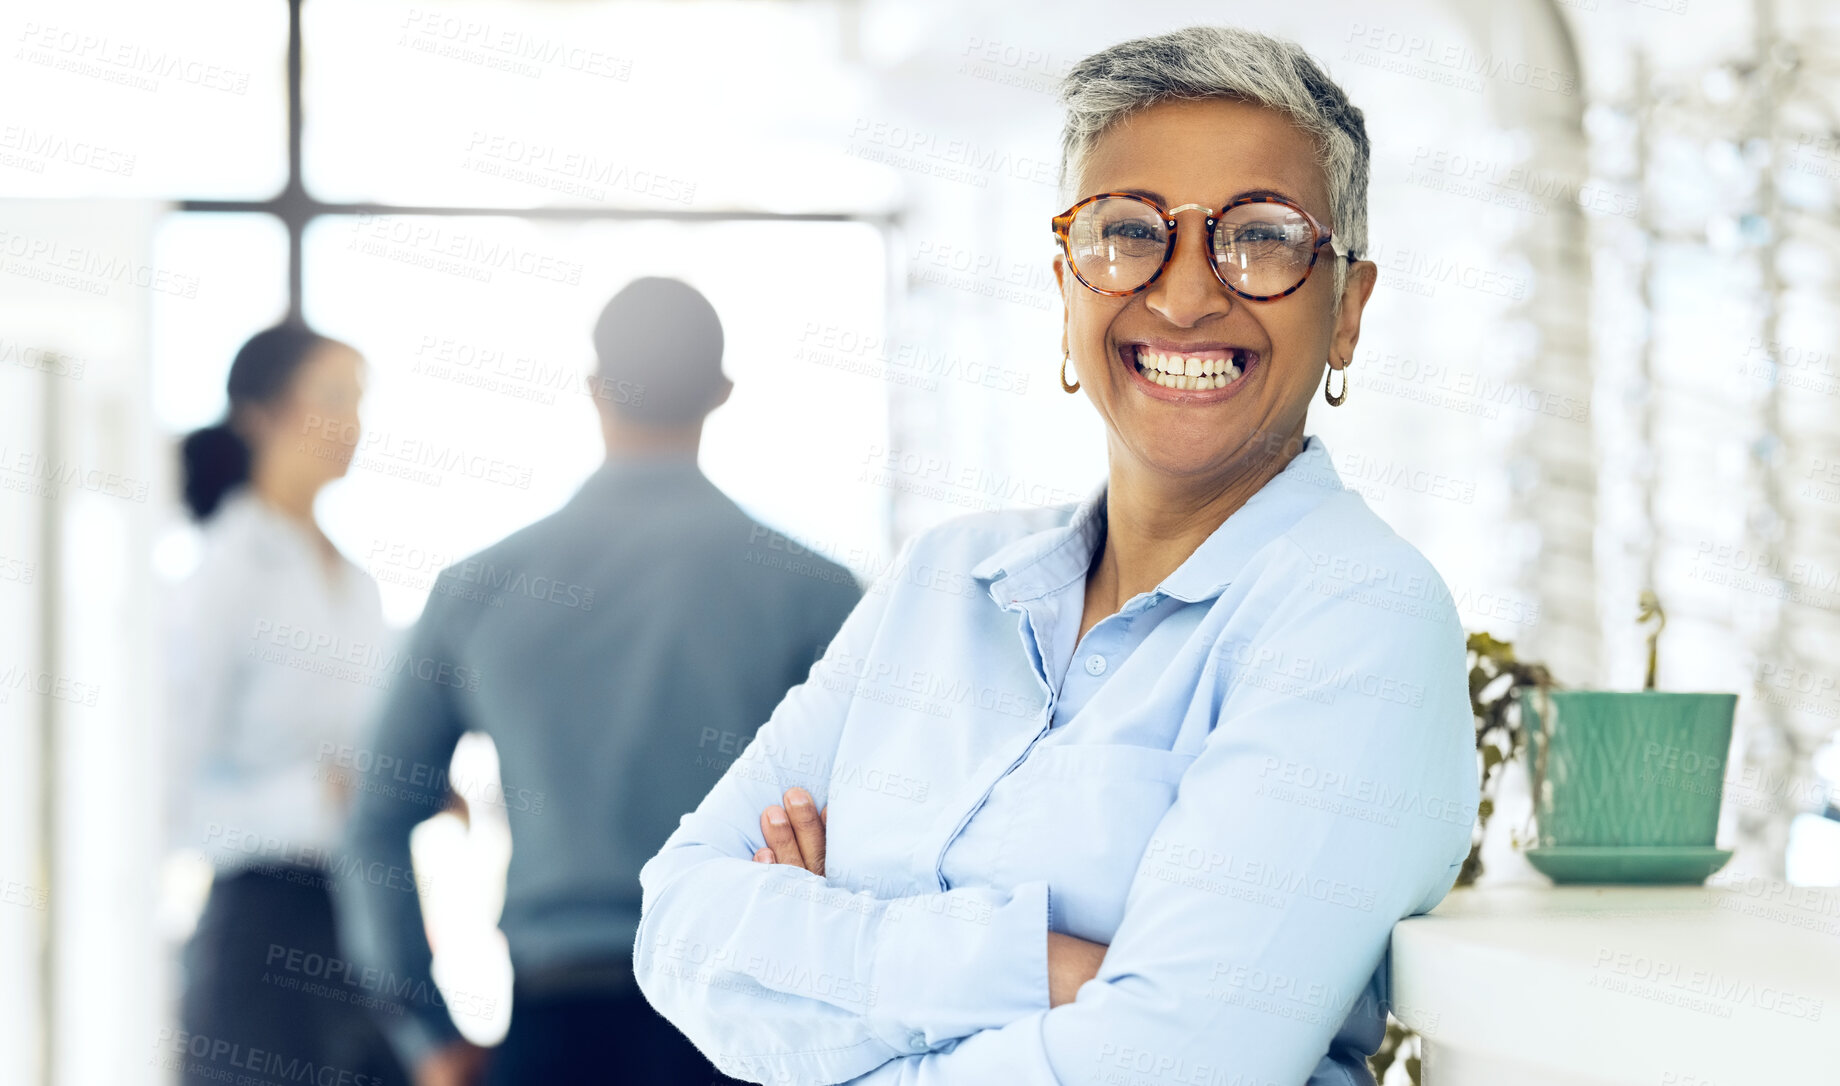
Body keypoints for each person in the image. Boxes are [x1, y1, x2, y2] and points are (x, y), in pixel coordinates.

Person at [634, 25, 1480, 1085]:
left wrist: (820, 961)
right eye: (1128, 231)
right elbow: (679, 922)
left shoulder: (1357, 616)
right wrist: (1041, 968)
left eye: (1260, 237)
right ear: (1066, 285)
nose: (1182, 296)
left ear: (1346, 310)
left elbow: (1173, 1065)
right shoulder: (943, 581)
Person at [334, 277, 864, 1086]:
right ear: (721, 394)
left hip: (554, 1031)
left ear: (593, 389)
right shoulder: (813, 591)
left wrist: (431, 1036)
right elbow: (883, 826)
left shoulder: (480, 587)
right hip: (742, 1033)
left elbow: (376, 821)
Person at [165, 323, 408, 1086]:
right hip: (258, 933)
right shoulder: (223, 573)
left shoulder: (359, 584)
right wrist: (315, 799)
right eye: (331, 398)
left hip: (360, 925)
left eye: (360, 402)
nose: (353, 425)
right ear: (259, 415)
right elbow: (168, 803)